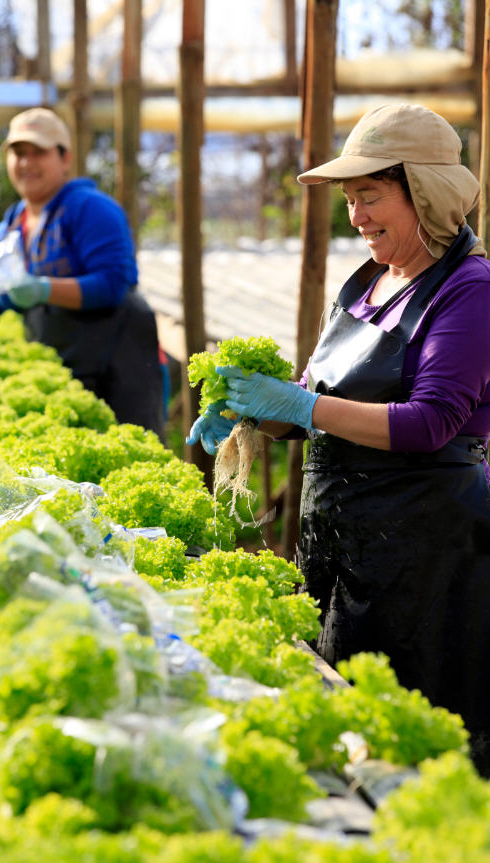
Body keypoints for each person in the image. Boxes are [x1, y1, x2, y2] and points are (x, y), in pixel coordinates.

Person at [187, 103, 490, 775]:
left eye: (370, 196)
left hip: (427, 554)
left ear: (425, 191)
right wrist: (250, 414)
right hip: (344, 543)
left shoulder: (469, 288)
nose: (355, 217)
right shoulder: (365, 281)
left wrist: (303, 403)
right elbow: (313, 403)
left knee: (408, 743)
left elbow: (429, 420)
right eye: (350, 200)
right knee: (341, 724)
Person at [0, 107, 166, 438]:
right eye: (18, 153)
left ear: (65, 158)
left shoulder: (91, 209)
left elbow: (111, 283)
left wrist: (41, 289)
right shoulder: (5, 235)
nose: (26, 162)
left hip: (121, 364)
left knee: (135, 448)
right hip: (66, 369)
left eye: (38, 152)